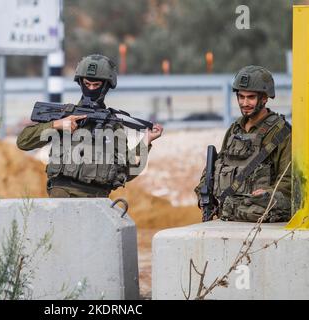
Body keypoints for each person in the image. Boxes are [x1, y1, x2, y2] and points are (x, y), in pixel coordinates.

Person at [17, 54, 163, 198]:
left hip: (97, 200)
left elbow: (128, 171)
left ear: (105, 86)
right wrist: (56, 125)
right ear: (81, 83)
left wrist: (146, 141)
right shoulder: (65, 115)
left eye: (96, 85)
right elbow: (23, 142)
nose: (91, 89)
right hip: (62, 196)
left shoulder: (112, 125)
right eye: (87, 84)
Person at [195, 65, 291, 222]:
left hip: (258, 213)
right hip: (229, 213)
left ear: (265, 98)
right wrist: (203, 194)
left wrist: (267, 192)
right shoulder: (235, 129)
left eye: (251, 97)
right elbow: (217, 166)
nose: (245, 103)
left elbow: (288, 180)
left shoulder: (280, 132)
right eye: (241, 97)